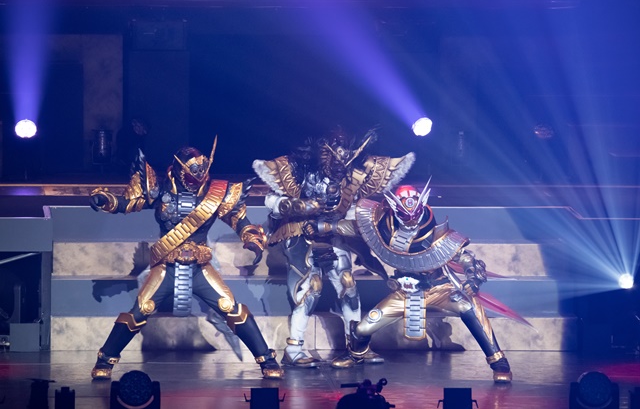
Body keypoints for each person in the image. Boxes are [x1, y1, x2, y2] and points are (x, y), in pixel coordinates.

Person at [89, 140, 284, 380]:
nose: (199, 177)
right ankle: (105, 359)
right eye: (194, 172)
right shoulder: (160, 189)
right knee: (141, 310)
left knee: (229, 308)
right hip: (166, 267)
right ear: (180, 170)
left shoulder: (216, 192)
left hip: (199, 267)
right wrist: (106, 200)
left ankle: (266, 359)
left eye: (203, 170)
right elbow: (127, 203)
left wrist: (251, 238)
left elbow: (238, 219)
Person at [252, 128, 414, 367]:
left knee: (348, 285)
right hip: (301, 235)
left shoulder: (352, 178)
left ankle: (357, 346)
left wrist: (337, 225)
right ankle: (293, 349)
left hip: (334, 235)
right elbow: (271, 201)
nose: (339, 164)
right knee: (310, 289)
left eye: (344, 155)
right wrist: (297, 206)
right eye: (334, 156)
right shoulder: (299, 171)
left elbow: (355, 214)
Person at [325, 183, 514, 383]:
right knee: (362, 329)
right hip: (404, 293)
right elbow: (355, 228)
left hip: (439, 289)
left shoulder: (438, 235)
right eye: (405, 217)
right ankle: (355, 355)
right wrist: (326, 227)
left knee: (469, 307)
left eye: (414, 216)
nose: (411, 223)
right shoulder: (382, 228)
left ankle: (498, 361)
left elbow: (466, 258)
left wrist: (473, 278)